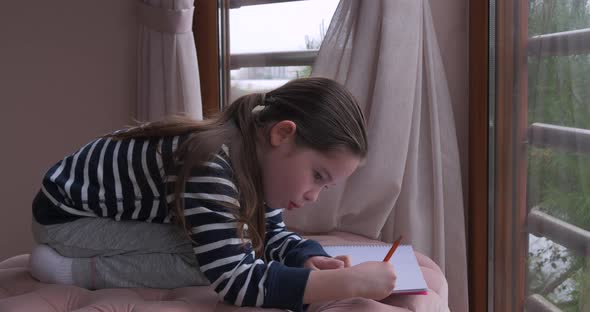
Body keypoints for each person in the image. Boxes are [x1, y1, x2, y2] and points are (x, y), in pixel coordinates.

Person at [29, 77, 396, 311]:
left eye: (325, 185)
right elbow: (233, 280)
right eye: (317, 175)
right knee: (208, 262)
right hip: (68, 219)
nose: (315, 195)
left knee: (235, 241)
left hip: (93, 210)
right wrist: (345, 283)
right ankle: (67, 268)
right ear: (282, 134)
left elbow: (267, 231)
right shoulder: (211, 165)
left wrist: (307, 257)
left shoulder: (253, 158)